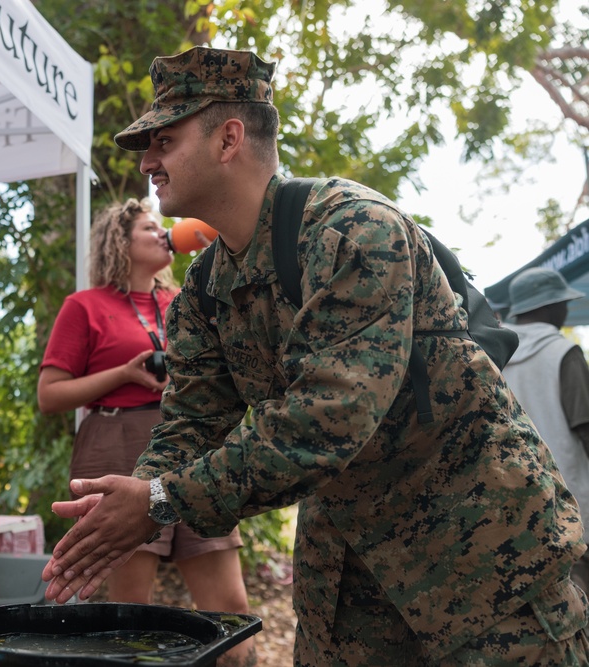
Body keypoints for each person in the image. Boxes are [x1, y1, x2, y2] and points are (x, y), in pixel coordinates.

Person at [41, 46, 589, 665]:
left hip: (485, 568)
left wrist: (163, 502)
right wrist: (131, 502)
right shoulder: (203, 291)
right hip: (352, 592)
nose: (147, 162)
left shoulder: (353, 230)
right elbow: (193, 422)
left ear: (228, 139)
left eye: (164, 141)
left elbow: (325, 420)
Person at [38, 198, 255, 666]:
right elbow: (49, 395)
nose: (163, 234)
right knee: (131, 615)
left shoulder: (186, 300)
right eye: (149, 227)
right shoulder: (85, 305)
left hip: (192, 448)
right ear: (120, 241)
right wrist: (125, 373)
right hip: (114, 444)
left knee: (231, 610)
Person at [502, 267, 589, 593]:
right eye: (562, 302)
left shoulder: (494, 352)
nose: (566, 310)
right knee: (578, 587)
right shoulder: (562, 352)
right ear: (548, 305)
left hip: (517, 501)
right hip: (571, 499)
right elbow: (585, 426)